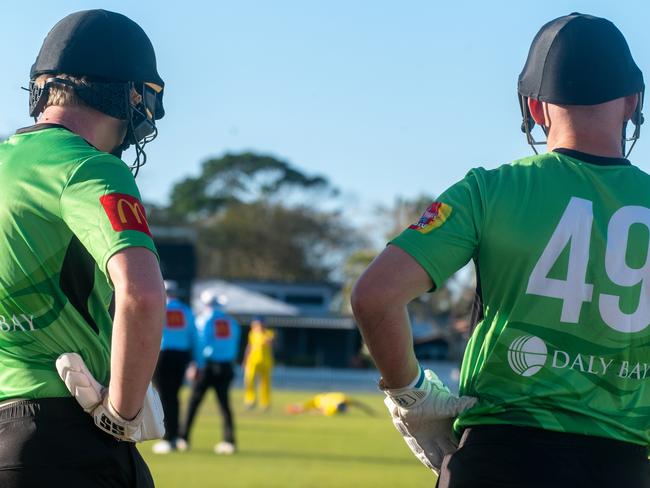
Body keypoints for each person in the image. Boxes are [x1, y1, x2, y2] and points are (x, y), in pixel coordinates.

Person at [352, 12, 650, 488]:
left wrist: (412, 396)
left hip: (498, 457)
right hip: (622, 466)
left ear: (535, 108)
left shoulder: (489, 190)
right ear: (634, 100)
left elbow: (374, 296)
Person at [0, 9, 167, 487]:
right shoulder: (89, 168)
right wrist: (122, 411)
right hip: (65, 435)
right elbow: (143, 295)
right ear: (128, 94)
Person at [179, 291, 241, 455]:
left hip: (207, 366)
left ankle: (183, 438)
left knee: (193, 403)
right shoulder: (231, 322)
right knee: (224, 405)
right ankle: (229, 441)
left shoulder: (203, 320)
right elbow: (234, 346)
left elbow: (200, 345)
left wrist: (196, 366)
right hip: (226, 366)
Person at [152, 280, 195, 454]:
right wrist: (194, 361)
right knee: (174, 396)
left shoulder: (159, 307)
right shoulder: (186, 311)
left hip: (162, 354)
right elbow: (194, 337)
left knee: (162, 396)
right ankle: (176, 436)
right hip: (181, 356)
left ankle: (168, 438)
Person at [243, 316, 275, 410]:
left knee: (265, 383)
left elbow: (270, 342)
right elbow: (249, 346)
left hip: (266, 362)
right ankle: (250, 400)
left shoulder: (269, 333)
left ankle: (265, 403)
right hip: (252, 361)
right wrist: (245, 359)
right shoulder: (252, 334)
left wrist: (263, 335)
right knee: (249, 381)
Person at [286, 392, 375, 417]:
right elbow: (322, 412)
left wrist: (369, 411)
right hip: (318, 401)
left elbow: (357, 403)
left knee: (304, 407)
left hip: (320, 398)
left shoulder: (343, 398)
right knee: (304, 408)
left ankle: (294, 408)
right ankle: (294, 409)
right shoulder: (334, 407)